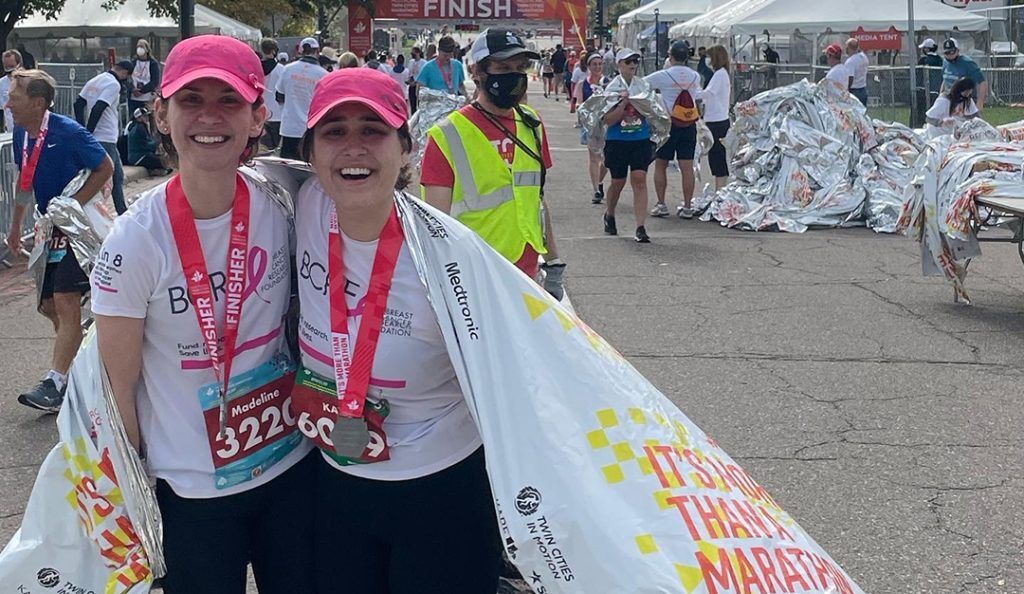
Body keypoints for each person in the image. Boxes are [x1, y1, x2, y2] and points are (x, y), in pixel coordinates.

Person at [90, 35, 316, 593]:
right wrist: (134, 491)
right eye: (192, 100)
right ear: (161, 115)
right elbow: (119, 390)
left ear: (258, 116)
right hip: (192, 490)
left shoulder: (282, 202)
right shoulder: (134, 241)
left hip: (290, 469)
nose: (210, 117)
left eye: (229, 100)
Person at [293, 66, 502, 594]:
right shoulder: (298, 204)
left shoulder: (451, 258)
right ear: (311, 153)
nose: (353, 147)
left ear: (406, 148)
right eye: (334, 132)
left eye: (373, 130)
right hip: (333, 483)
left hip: (440, 490)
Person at [421, 28, 565, 297]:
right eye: (503, 67)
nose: (515, 75)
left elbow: (537, 199)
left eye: (520, 67)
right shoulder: (446, 136)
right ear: (477, 71)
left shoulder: (531, 123)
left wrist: (554, 259)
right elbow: (434, 227)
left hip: (528, 272)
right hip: (475, 278)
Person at [7, 69, 113, 412]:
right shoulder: (22, 136)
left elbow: (106, 167)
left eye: (15, 98)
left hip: (74, 230)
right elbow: (25, 183)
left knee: (66, 299)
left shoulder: (68, 131)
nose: (7, 104)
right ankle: (82, 361)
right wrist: (15, 227)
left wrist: (72, 205)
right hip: (47, 230)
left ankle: (55, 382)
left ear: (37, 103)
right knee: (48, 305)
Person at [644, 40, 702, 219]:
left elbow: (642, 85)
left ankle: (661, 204)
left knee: (660, 164)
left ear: (671, 56)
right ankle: (687, 206)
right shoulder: (695, 76)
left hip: (668, 124)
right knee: (687, 166)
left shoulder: (663, 75)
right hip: (689, 123)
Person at [601, 48, 653, 243]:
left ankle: (640, 227)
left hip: (640, 139)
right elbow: (607, 119)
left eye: (635, 61)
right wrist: (623, 105)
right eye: (628, 61)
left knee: (639, 179)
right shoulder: (612, 89)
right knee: (618, 182)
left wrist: (643, 106)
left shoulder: (643, 86)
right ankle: (610, 213)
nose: (632, 64)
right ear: (619, 65)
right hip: (617, 141)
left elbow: (653, 113)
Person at [74, 60, 132, 215]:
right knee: (107, 177)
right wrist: (88, 133)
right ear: (125, 73)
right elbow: (99, 107)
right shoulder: (114, 84)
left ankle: (122, 211)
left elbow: (78, 104)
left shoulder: (95, 80)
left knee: (117, 175)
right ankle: (101, 212)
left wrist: (82, 128)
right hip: (105, 137)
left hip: (100, 138)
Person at [276, 36, 327, 159]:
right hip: (310, 129)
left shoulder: (288, 69)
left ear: (301, 51)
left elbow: (279, 95)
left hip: (289, 127)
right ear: (317, 51)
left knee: (287, 170)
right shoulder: (323, 75)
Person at [575, 52, 608, 204]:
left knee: (607, 159)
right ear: (588, 66)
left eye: (600, 64)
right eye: (594, 64)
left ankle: (600, 182)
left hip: (606, 124)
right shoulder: (583, 84)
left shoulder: (607, 83)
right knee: (594, 158)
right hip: (591, 126)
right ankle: (595, 190)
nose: (597, 67)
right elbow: (579, 103)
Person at [703, 45, 732, 191]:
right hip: (717, 119)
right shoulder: (721, 74)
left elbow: (708, 93)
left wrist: (690, 93)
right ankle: (719, 189)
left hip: (717, 121)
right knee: (715, 156)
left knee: (717, 157)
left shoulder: (720, 74)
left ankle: (720, 190)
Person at [941, 38, 987, 111]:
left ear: (957, 51)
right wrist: (940, 97)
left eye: (952, 52)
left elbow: (982, 82)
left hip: (965, 101)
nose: (949, 55)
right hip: (949, 101)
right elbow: (945, 80)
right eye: (947, 53)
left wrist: (980, 103)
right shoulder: (945, 62)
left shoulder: (967, 63)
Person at [260, 38, 284, 150]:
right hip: (277, 112)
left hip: (261, 112)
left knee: (264, 148)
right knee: (275, 147)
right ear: (274, 51)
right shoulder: (281, 70)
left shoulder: (257, 68)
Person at [126, 106, 166, 172]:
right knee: (162, 161)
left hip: (138, 156)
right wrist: (156, 143)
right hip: (139, 157)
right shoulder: (139, 128)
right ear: (138, 118)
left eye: (146, 116)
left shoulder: (137, 126)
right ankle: (154, 171)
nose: (147, 118)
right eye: (144, 116)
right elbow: (145, 145)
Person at [915, 38, 944, 127]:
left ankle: (921, 125)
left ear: (927, 49)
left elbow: (919, 75)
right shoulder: (940, 60)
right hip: (937, 90)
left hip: (924, 90)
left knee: (923, 112)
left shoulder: (924, 60)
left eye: (924, 48)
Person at [129, 39, 161, 116]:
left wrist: (142, 91)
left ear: (147, 49)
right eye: (138, 46)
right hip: (133, 98)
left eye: (142, 46)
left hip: (147, 98)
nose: (139, 48)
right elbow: (128, 77)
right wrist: (132, 89)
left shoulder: (153, 63)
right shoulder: (133, 62)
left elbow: (155, 81)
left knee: (147, 118)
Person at [0, 49, 22, 133]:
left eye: (12, 66)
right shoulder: (1, 83)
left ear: (19, 64)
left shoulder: (28, 82)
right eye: (6, 67)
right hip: (9, 131)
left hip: (27, 129)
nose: (9, 70)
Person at [844, 38, 869, 105]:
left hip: (854, 91)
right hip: (863, 89)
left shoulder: (850, 61)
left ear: (849, 48)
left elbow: (850, 78)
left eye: (846, 47)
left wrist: (846, 90)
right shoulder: (864, 57)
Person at [408, 46, 426, 113]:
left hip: (420, 86)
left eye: (413, 53)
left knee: (420, 104)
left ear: (418, 53)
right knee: (412, 104)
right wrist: (410, 80)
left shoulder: (423, 62)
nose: (412, 54)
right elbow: (410, 73)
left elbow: (423, 75)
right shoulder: (411, 62)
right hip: (412, 85)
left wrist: (416, 82)